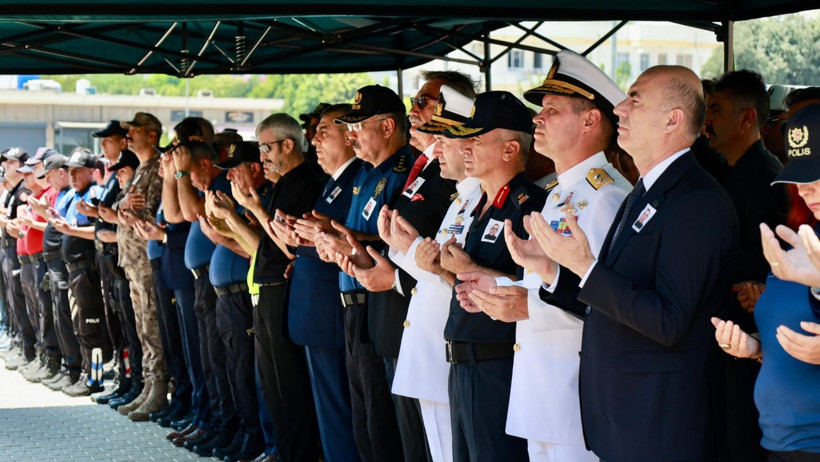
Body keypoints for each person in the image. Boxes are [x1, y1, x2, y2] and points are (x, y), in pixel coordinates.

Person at [534, 65, 738, 461]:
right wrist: (554, 271)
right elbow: (612, 305)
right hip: (626, 417)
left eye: (635, 100)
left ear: (673, 120)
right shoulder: (647, 190)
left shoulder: (696, 200)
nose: (621, 109)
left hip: (661, 424)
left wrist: (587, 267)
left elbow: (668, 320)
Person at [455, 49, 630, 462]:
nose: (537, 118)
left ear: (591, 120)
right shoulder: (558, 195)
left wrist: (527, 303)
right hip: (542, 388)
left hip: (577, 393)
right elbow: (546, 283)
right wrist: (499, 287)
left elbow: (609, 302)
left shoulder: (607, 196)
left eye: (551, 109)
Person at [343, 71, 471, 462]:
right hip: (404, 324)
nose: (411, 111)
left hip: (431, 326)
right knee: (411, 442)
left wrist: (394, 275)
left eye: (423, 102)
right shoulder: (426, 168)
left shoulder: (455, 176)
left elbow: (443, 256)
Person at [437, 90, 547, 462]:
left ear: (510, 149)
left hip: (499, 365)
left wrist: (466, 268)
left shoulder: (530, 205)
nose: (464, 147)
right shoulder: (481, 205)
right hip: (463, 362)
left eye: (476, 139)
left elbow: (532, 286)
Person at [715, 103, 820, 461]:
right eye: (802, 179)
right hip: (779, 441)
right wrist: (756, 347)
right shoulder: (801, 237)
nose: (809, 191)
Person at [385, 83, 477, 462]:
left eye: (447, 137)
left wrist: (407, 252)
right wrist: (407, 249)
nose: (438, 146)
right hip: (434, 343)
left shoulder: (472, 197)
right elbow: (435, 268)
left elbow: (452, 275)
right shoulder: (463, 197)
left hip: (453, 344)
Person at [319, 84, 410, 462]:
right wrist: (331, 241)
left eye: (359, 125)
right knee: (363, 416)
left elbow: (400, 239)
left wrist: (350, 243)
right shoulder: (365, 173)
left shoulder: (404, 171)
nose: (351, 134)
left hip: (382, 302)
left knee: (381, 420)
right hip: (354, 304)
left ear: (388, 127)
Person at [706, 69, 790, 462]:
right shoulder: (725, 170)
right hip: (725, 335)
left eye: (717, 110)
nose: (707, 120)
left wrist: (760, 289)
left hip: (752, 334)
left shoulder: (766, 178)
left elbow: (771, 264)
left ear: (747, 118)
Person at [286, 103, 364, 462]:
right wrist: (305, 245)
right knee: (330, 406)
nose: (314, 140)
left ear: (350, 136)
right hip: (318, 303)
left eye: (323, 133)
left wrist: (318, 237)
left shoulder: (357, 177)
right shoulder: (336, 181)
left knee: (341, 406)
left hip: (335, 305)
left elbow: (353, 239)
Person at [246, 113, 323, 462]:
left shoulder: (304, 182)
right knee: (272, 383)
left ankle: (298, 454)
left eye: (265, 147)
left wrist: (254, 209)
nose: (261, 155)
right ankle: (283, 451)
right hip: (267, 288)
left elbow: (290, 246)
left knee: (288, 383)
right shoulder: (284, 182)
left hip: (283, 288)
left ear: (287, 145)